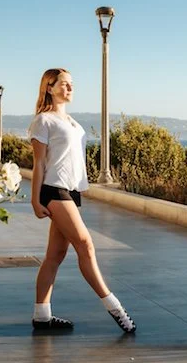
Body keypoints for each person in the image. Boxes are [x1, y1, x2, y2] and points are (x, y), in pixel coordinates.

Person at [27, 68, 136, 333]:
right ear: (49, 87)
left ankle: (42, 316)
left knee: (55, 255)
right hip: (54, 191)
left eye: (71, 84)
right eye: (64, 84)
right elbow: (39, 163)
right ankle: (115, 307)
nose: (69, 88)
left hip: (71, 192)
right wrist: (34, 200)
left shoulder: (73, 122)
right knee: (85, 245)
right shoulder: (43, 121)